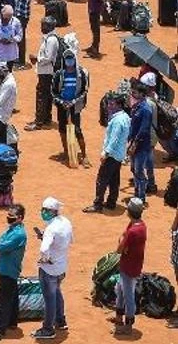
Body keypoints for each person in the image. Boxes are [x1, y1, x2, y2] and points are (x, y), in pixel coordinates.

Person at [31, 197, 73, 340]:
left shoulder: (50, 228)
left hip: (49, 270)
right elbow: (69, 240)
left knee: (49, 298)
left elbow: (44, 249)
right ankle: (60, 321)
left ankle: (48, 329)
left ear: (54, 212)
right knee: (57, 292)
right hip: (61, 267)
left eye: (46, 210)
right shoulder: (66, 222)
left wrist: (45, 259)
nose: (43, 212)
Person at [84, 93, 131, 214]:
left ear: (119, 105)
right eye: (109, 103)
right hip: (119, 155)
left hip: (112, 155)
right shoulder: (125, 117)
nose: (109, 106)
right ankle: (111, 202)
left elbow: (114, 139)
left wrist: (106, 153)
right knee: (114, 179)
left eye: (112, 104)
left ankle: (97, 204)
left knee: (102, 179)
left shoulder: (117, 121)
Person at [0, 204, 27, 343]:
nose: (9, 218)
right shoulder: (13, 230)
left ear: (20, 218)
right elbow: (1, 238)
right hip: (9, 269)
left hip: (8, 270)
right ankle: (12, 321)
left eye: (12, 217)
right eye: (8, 216)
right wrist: (0, 242)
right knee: (13, 296)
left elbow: (0, 245)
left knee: (5, 300)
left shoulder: (18, 234)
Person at [111, 198, 147, 335]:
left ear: (129, 211)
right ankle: (119, 318)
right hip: (132, 265)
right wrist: (123, 243)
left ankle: (128, 325)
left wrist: (121, 242)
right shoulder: (140, 225)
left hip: (129, 267)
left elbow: (119, 249)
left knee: (128, 295)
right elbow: (123, 242)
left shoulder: (132, 231)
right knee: (119, 290)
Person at [52, 48, 90, 166]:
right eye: (67, 58)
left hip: (75, 106)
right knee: (62, 130)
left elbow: (84, 91)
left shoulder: (81, 74)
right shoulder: (59, 74)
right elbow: (53, 92)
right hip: (62, 106)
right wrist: (62, 101)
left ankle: (84, 156)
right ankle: (67, 152)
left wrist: (74, 101)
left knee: (77, 130)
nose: (69, 61)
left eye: (71, 58)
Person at [25, 17, 60, 131]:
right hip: (46, 71)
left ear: (49, 27)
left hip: (47, 72)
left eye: (44, 25)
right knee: (47, 95)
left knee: (41, 96)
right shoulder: (50, 38)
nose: (41, 27)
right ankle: (46, 118)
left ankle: (39, 122)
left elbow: (49, 58)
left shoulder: (51, 40)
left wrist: (37, 58)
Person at [128, 82, 153, 203]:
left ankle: (141, 197)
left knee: (139, 171)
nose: (132, 94)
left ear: (142, 94)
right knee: (133, 169)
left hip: (141, 146)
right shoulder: (137, 106)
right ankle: (136, 192)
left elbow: (144, 129)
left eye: (135, 92)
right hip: (134, 143)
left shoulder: (145, 110)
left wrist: (134, 143)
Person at [9, 0, 35, 68]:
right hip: (17, 12)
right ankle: (17, 58)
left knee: (21, 38)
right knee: (16, 36)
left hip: (22, 13)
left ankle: (21, 61)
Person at [0, 5, 23, 69]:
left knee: (8, 76)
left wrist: (12, 39)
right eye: (5, 19)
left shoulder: (16, 22)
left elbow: (20, 36)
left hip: (10, 55)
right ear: (1, 14)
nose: (7, 21)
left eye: (9, 19)